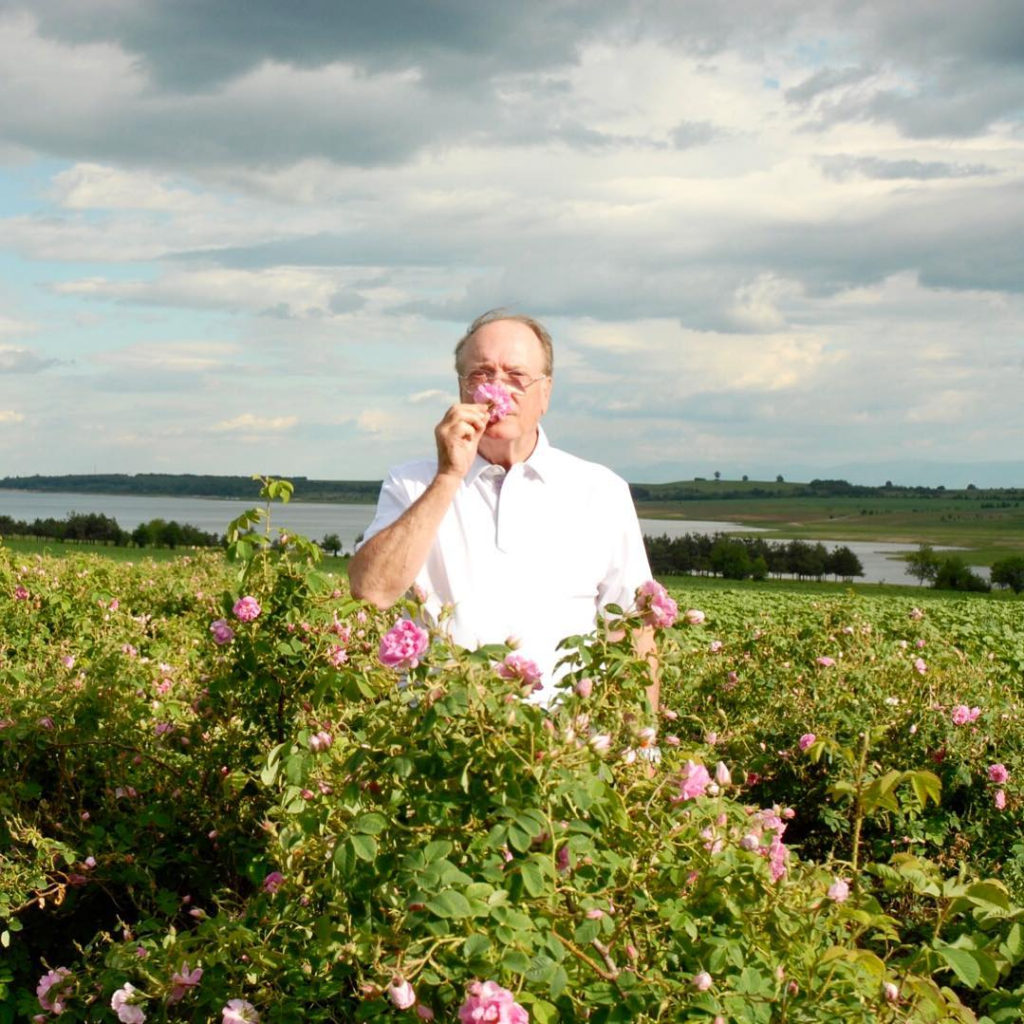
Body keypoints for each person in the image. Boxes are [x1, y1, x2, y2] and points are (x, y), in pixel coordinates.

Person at [348, 309, 658, 708]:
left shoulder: (601, 491)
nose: (497, 389)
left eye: (516, 377)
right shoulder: (411, 483)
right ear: (461, 389)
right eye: (481, 374)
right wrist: (448, 476)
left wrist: (642, 750)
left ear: (545, 393)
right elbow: (371, 591)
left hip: (561, 753)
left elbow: (635, 631)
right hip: (438, 741)